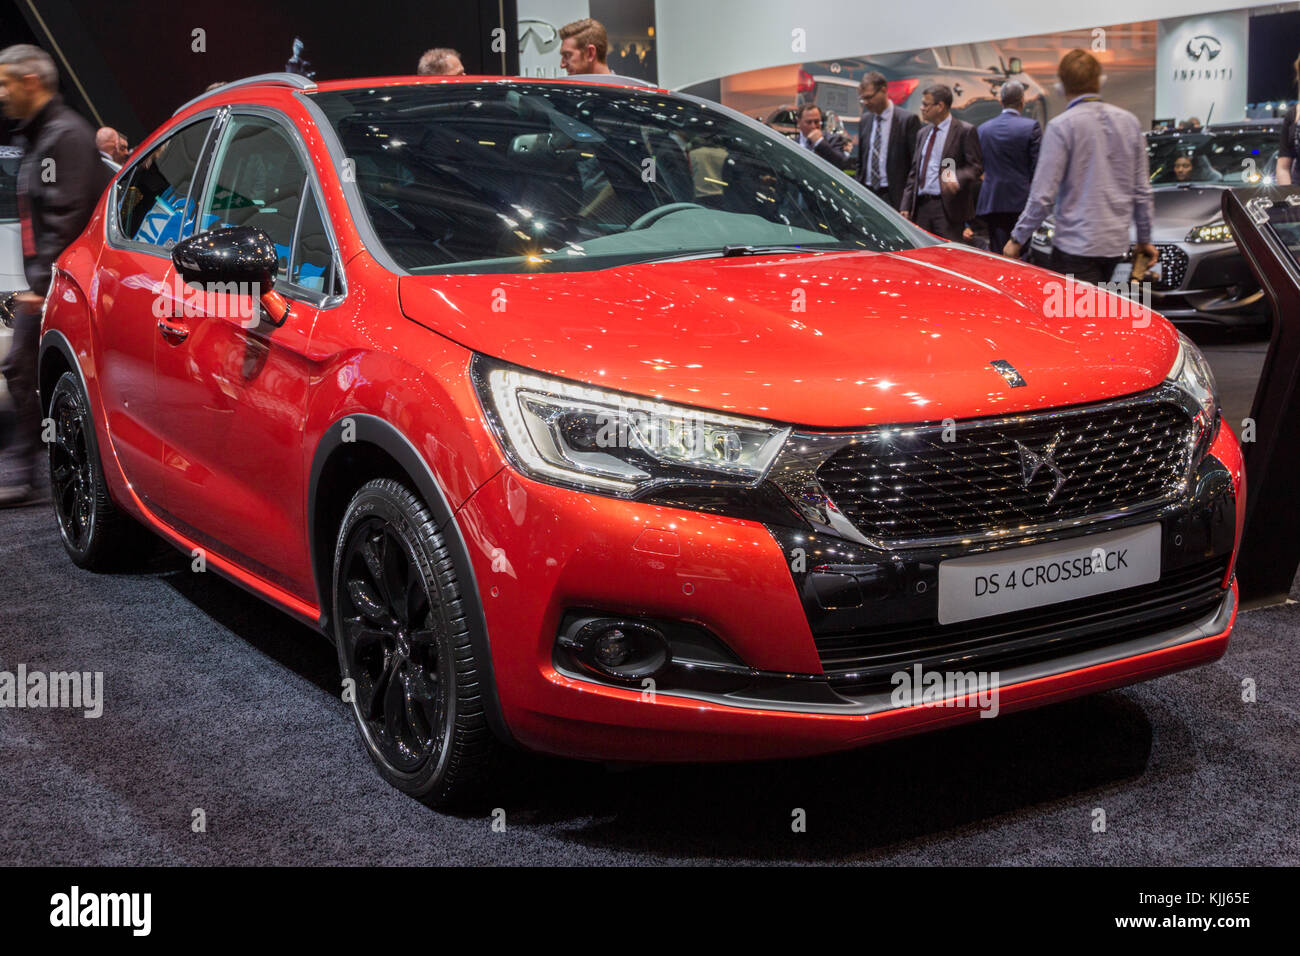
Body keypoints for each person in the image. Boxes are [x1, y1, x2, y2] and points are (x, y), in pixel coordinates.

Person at [0, 44, 110, 504]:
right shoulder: (40, 136)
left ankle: (30, 470)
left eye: (5, 82)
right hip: (50, 282)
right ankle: (34, 466)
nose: (1, 93)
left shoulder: (64, 136)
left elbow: (68, 217)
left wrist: (41, 287)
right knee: (28, 368)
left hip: (65, 284)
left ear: (31, 82)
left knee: (26, 367)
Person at [1004, 49, 1156, 285]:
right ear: (1100, 81)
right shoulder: (1130, 122)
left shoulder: (1061, 127)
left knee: (1076, 320)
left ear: (1061, 88)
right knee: (1113, 319)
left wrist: (1017, 239)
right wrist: (1145, 240)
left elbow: (1043, 196)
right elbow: (1142, 191)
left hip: (1074, 252)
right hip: (1117, 250)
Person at [900, 84, 983, 242]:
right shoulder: (922, 133)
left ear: (940, 106)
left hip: (947, 208)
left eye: (926, 104)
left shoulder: (963, 131)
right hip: (921, 208)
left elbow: (975, 167)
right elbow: (914, 172)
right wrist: (906, 204)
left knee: (947, 255)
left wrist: (956, 178)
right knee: (922, 254)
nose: (922, 108)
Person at [975, 81, 1041, 257]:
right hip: (1022, 201)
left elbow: (977, 165)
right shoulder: (1031, 127)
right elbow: (1037, 169)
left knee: (998, 255)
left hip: (993, 201)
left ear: (1000, 102)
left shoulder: (983, 129)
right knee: (1023, 254)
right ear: (1022, 101)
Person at [852, 71, 921, 209]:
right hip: (868, 192)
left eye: (869, 97)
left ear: (883, 90)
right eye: (862, 99)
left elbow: (915, 163)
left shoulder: (907, 120)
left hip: (894, 195)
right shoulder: (865, 120)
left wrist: (907, 200)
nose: (866, 103)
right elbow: (861, 160)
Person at [792, 103, 851, 167]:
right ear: (798, 122)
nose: (813, 126)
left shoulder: (833, 139)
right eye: (809, 122)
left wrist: (819, 142)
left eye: (817, 122)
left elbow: (842, 163)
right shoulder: (792, 144)